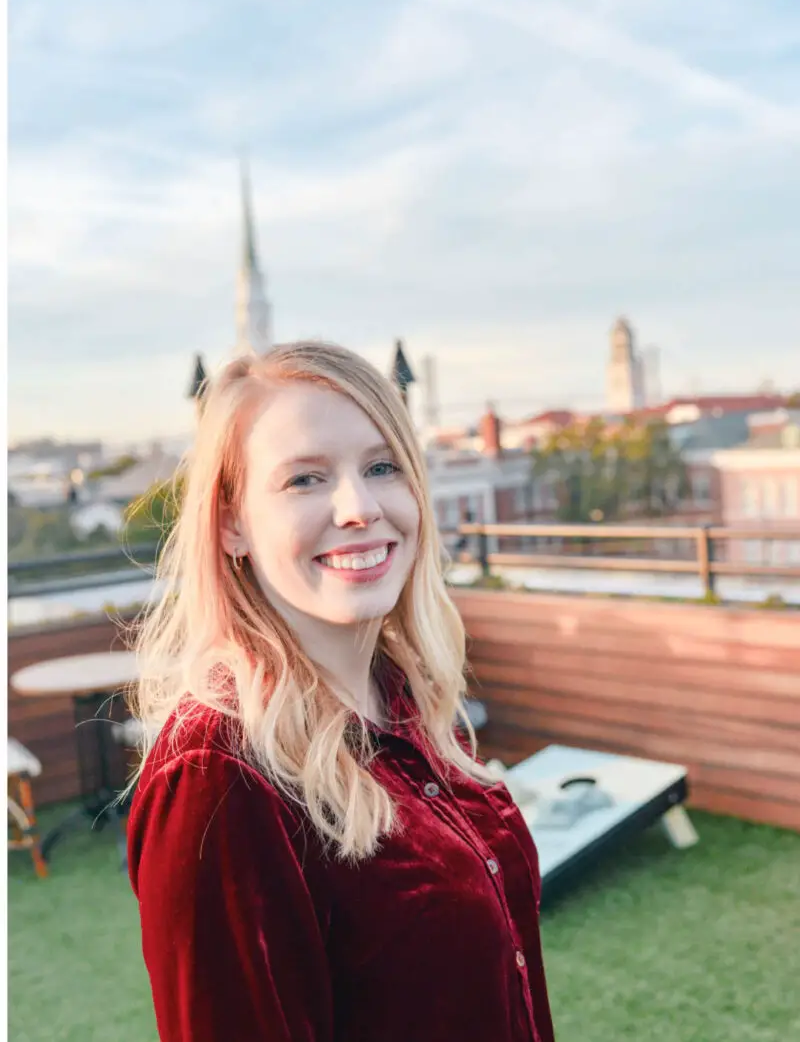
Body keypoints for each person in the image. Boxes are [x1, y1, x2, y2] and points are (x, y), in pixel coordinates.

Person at [124, 339, 555, 1042]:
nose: (358, 507)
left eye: (381, 467)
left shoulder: (399, 697)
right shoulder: (216, 773)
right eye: (304, 480)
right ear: (232, 523)